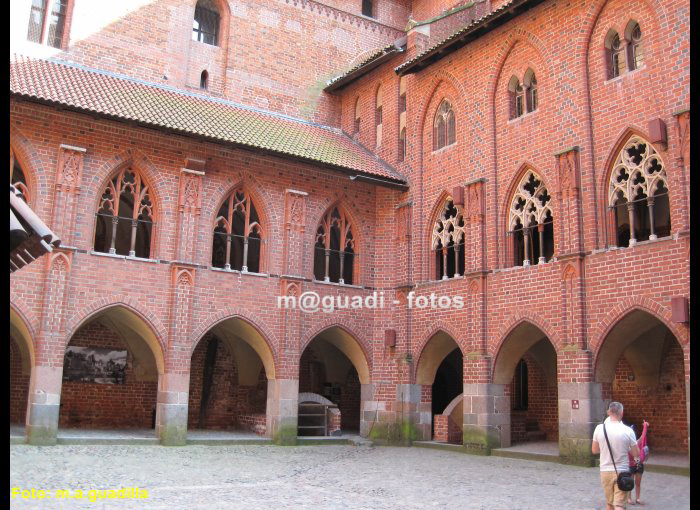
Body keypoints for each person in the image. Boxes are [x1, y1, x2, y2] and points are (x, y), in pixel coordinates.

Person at [592, 402, 641, 510]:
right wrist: (626, 448)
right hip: (622, 471)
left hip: (605, 471)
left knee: (610, 504)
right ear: (622, 413)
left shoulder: (599, 428)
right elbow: (636, 453)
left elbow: (594, 450)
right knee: (619, 505)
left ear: (609, 412)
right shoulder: (628, 431)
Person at [627, 420, 649, 506]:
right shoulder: (626, 443)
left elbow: (643, 436)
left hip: (639, 464)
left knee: (638, 483)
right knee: (630, 482)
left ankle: (638, 498)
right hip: (631, 465)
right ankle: (629, 498)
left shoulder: (637, 442)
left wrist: (645, 427)